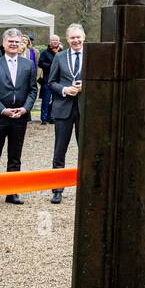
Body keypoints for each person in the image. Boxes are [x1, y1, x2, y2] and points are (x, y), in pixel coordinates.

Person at [0, 28, 37, 206]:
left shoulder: (28, 65)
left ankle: (12, 192)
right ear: (3, 43)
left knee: (15, 156)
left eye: (16, 41)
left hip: (19, 117)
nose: (13, 44)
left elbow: (33, 90)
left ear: (21, 44)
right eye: (10, 41)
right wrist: (3, 110)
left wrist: (26, 109)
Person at [46, 25, 85, 204]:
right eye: (72, 38)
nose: (76, 41)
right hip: (63, 109)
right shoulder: (60, 57)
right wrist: (64, 89)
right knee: (59, 151)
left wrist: (86, 86)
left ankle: (85, 187)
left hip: (85, 109)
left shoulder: (93, 56)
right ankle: (57, 189)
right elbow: (51, 82)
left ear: (83, 37)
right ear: (67, 39)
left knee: (86, 151)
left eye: (78, 37)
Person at [37, 34, 62, 124]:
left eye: (56, 40)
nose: (55, 42)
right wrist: (51, 66)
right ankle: (43, 118)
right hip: (47, 79)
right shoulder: (45, 52)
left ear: (59, 42)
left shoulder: (62, 52)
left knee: (55, 100)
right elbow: (40, 63)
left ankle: (51, 117)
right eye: (53, 40)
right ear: (50, 42)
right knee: (46, 100)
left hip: (58, 80)